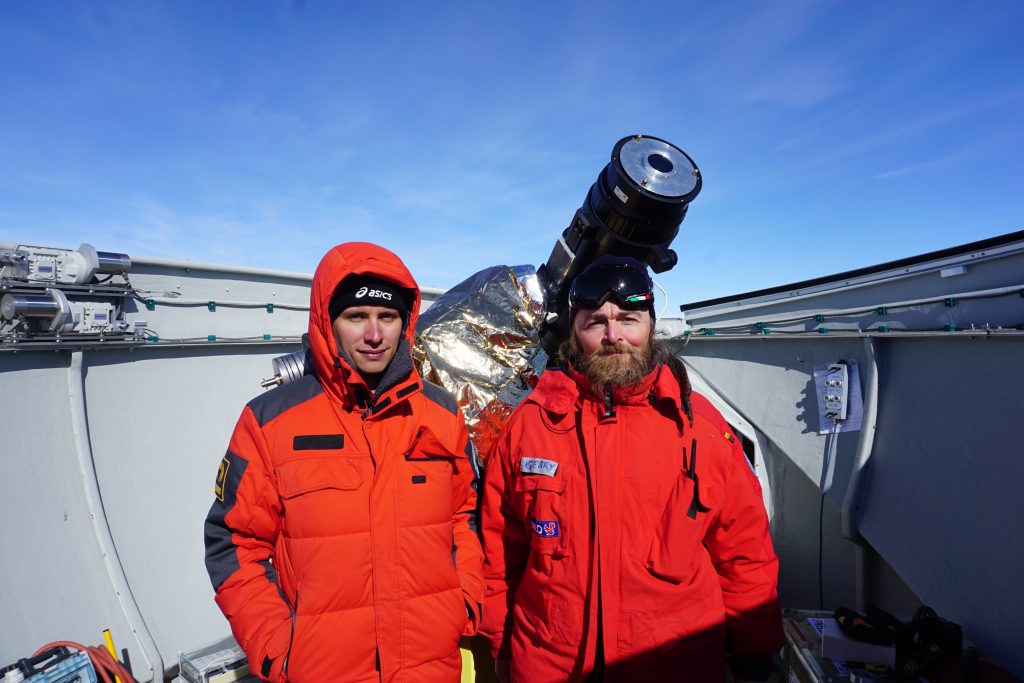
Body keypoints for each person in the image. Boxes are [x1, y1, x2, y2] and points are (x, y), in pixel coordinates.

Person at [479, 256, 784, 683]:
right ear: (574, 332)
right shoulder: (530, 424)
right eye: (594, 322)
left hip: (674, 663)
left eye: (628, 319)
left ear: (650, 326)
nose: (613, 336)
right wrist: (499, 636)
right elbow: (499, 546)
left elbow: (744, 548)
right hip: (551, 660)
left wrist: (755, 647)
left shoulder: (701, 428)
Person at [204, 242, 484, 682]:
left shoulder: (442, 414)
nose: (374, 335)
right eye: (356, 317)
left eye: (387, 317)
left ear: (404, 323)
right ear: (327, 323)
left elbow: (463, 517)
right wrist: (279, 648)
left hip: (430, 667)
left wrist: (463, 601)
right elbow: (233, 543)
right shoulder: (269, 422)